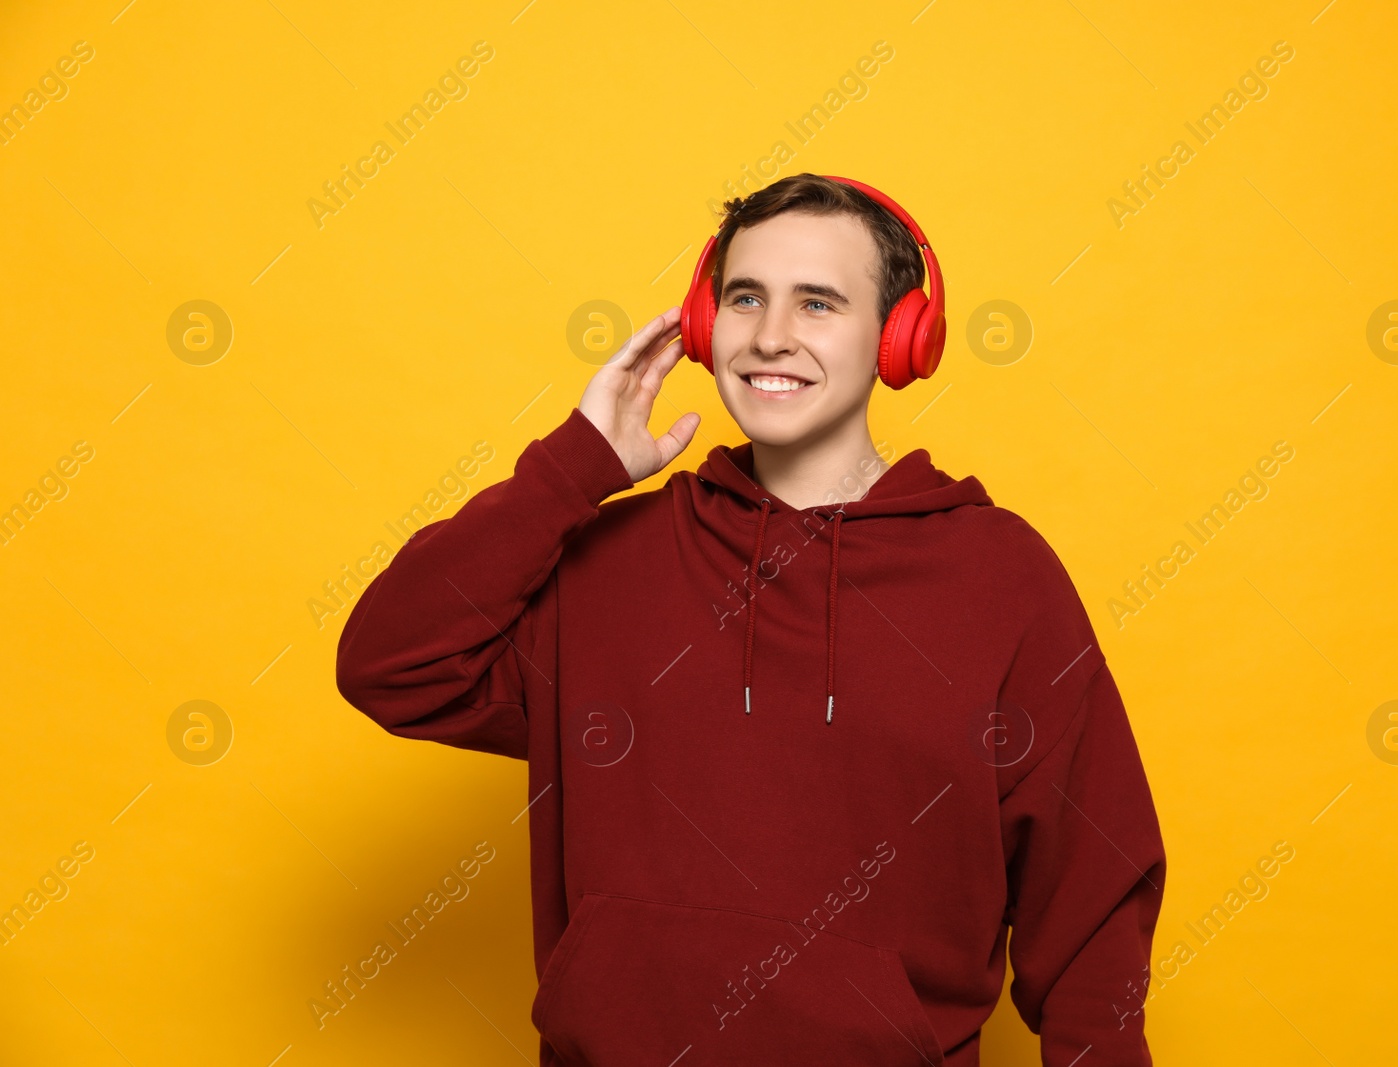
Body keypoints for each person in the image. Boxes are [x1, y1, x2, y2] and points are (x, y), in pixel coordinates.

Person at [335, 173, 1165, 1066]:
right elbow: (392, 665)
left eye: (818, 303)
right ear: (702, 325)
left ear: (900, 337)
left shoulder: (1001, 579)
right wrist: (572, 470)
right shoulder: (606, 560)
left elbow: (1092, 904)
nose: (771, 335)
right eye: (744, 298)